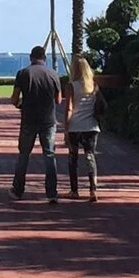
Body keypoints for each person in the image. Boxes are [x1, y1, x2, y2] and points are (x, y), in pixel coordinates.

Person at [7, 44, 61, 202]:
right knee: (49, 155)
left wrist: (20, 104)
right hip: (48, 121)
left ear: (31, 57)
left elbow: (14, 98)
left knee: (24, 155)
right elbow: (58, 100)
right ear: (44, 58)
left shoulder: (23, 73)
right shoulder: (53, 74)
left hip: (29, 120)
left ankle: (18, 190)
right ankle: (51, 193)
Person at [61, 55, 100, 200]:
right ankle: (93, 190)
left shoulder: (71, 85)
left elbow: (69, 107)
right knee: (90, 157)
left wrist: (66, 126)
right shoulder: (94, 85)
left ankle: (74, 190)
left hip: (75, 127)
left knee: (73, 158)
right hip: (91, 126)